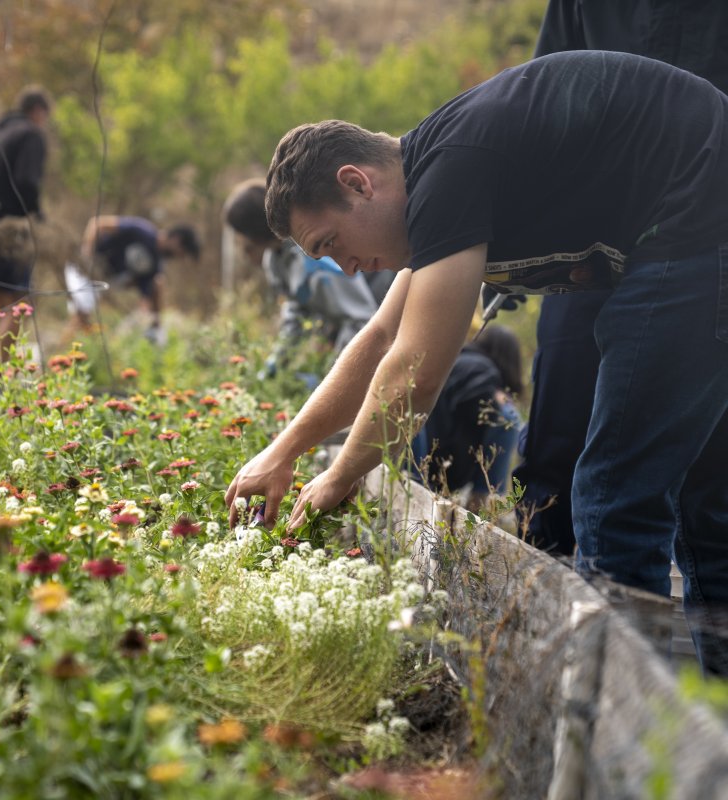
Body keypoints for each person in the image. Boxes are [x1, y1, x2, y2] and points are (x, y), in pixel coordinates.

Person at [224, 51, 728, 675]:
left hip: (698, 228)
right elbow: (381, 338)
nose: (345, 267)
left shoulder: (449, 168)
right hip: (698, 225)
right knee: (709, 503)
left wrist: (339, 477)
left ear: (358, 183)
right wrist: (285, 450)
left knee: (614, 498)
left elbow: (416, 368)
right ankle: (708, 731)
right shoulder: (442, 172)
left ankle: (633, 742)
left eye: (331, 244)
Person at [511, 0, 728, 557]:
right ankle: (544, 608)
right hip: (594, 244)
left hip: (706, 243)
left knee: (704, 488)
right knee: (560, 448)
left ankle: (655, 630)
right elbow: (542, 104)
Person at [223, 178, 379, 378]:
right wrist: (278, 362)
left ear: (254, 231)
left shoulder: (314, 257)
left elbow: (361, 318)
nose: (240, 243)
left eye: (241, 234)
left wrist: (334, 375)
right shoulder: (274, 261)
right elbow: (296, 313)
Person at [0, 86, 52, 378]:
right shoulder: (30, 135)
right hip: (11, 231)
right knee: (21, 305)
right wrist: (36, 216)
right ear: (39, 112)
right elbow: (27, 181)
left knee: (0, 305)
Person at [413, 323, 523, 508]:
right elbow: (476, 403)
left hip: (427, 460)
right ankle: (481, 502)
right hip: (436, 464)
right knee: (509, 417)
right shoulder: (479, 366)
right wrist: (496, 400)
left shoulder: (455, 360)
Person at [75, 215, 200, 343]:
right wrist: (87, 255)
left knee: (83, 320)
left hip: (101, 283)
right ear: (176, 240)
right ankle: (62, 354)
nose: (178, 256)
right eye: (181, 252)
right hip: (81, 270)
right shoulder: (141, 231)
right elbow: (97, 223)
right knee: (80, 316)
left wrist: (146, 321)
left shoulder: (155, 265)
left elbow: (145, 297)